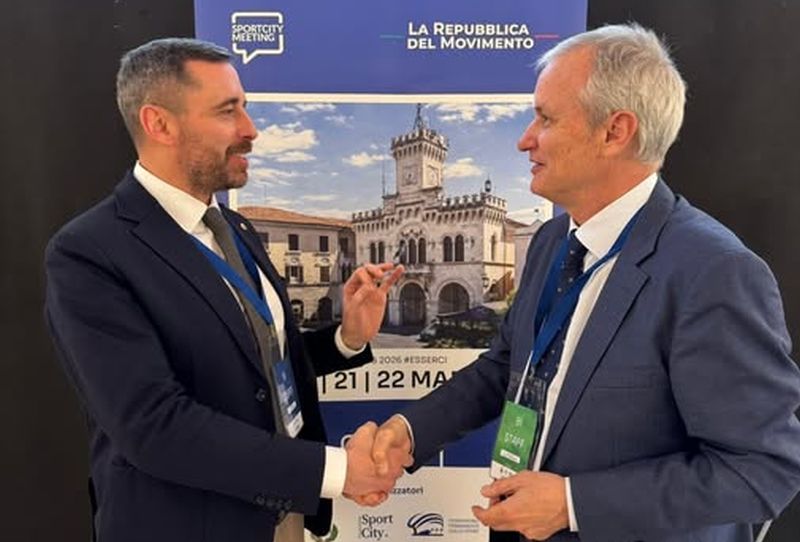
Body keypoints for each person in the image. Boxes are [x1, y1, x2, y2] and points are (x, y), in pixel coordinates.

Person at [370, 23, 800, 542]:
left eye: (546, 119)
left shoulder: (713, 272)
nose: (525, 139)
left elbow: (763, 469)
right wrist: (412, 431)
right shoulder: (552, 241)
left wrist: (573, 504)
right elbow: (505, 367)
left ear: (615, 132)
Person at [44, 38, 407, 542]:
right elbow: (153, 426)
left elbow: (256, 365)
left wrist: (347, 338)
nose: (250, 129)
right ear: (159, 124)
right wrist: (338, 471)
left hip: (282, 514)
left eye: (245, 107)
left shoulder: (235, 228)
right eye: (227, 110)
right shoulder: (90, 252)